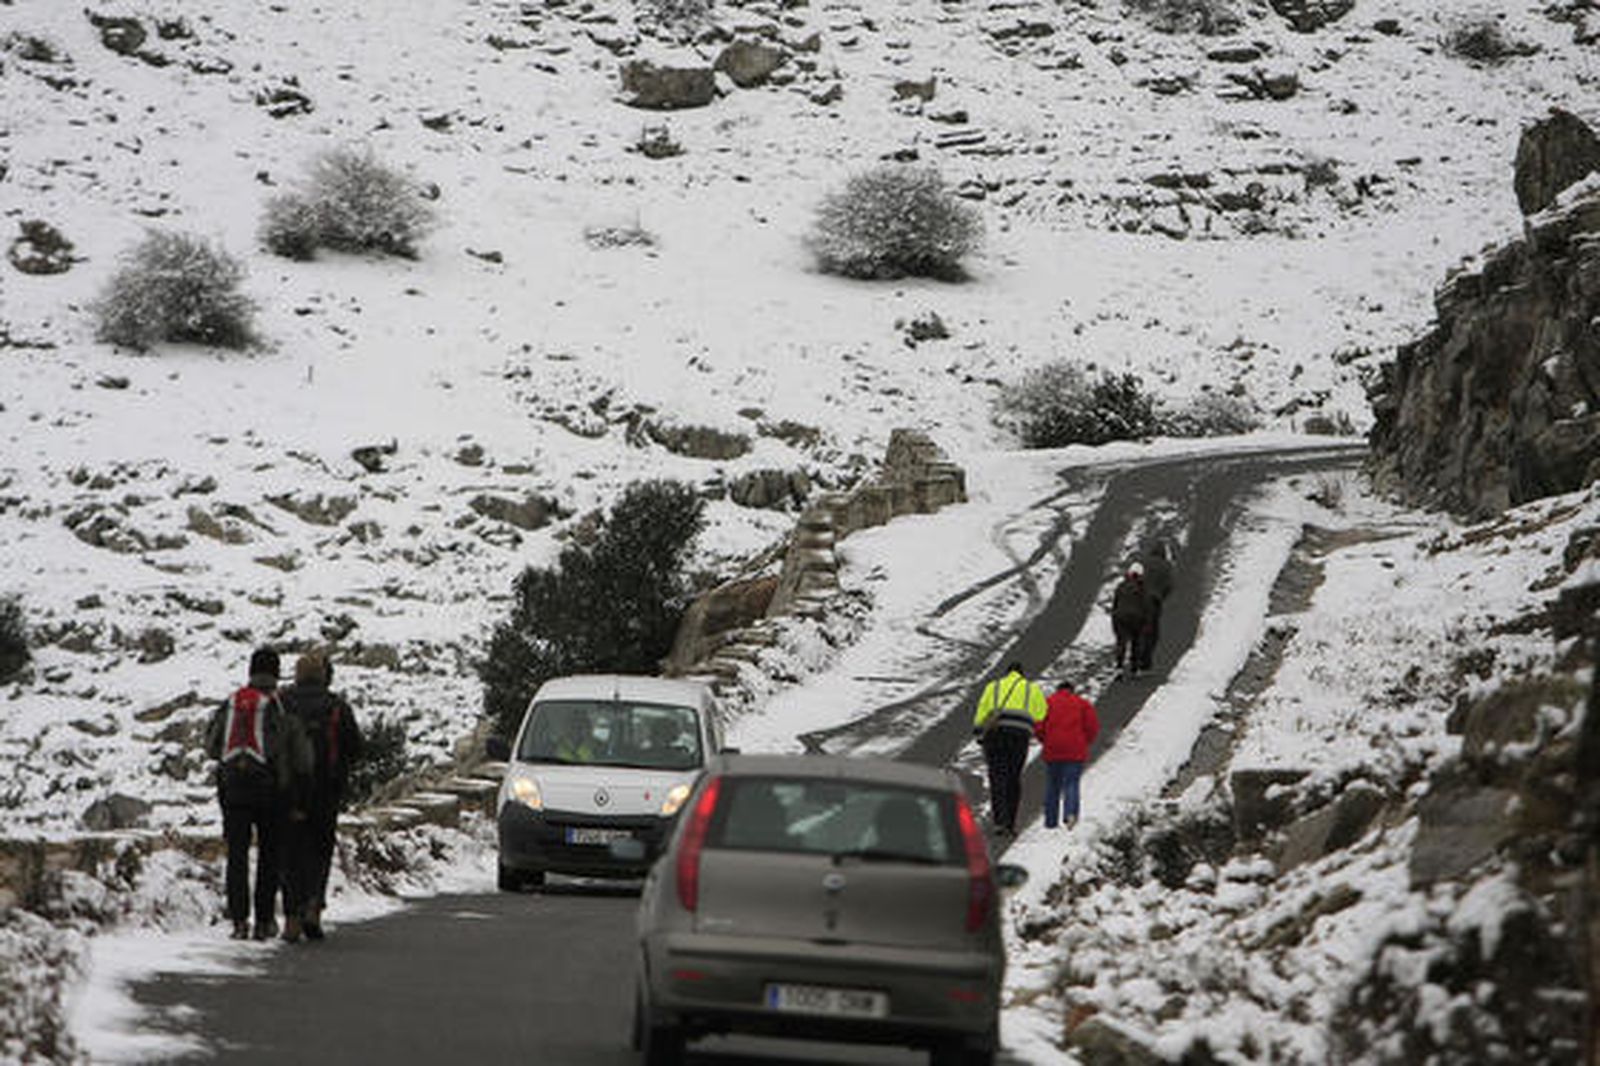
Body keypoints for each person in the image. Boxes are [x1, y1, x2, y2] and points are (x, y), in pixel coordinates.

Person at [205, 647, 298, 940]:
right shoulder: (277, 706)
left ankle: (239, 921)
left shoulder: (232, 703)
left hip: (233, 790)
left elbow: (211, 746)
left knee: (237, 856)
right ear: (276, 673)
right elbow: (285, 750)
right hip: (269, 792)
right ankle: (264, 921)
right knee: (269, 856)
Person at [279, 650, 362, 942]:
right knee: (320, 849)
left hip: (289, 791)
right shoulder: (336, 705)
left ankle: (291, 916)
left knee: (290, 852)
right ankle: (314, 904)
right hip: (326, 790)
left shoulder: (283, 702)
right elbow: (355, 746)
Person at [970, 661, 1048, 838]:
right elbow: (1041, 714)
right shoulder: (1032, 689)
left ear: (1007, 673)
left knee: (997, 776)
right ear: (1022, 674)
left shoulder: (994, 687)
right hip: (1019, 737)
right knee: (1013, 777)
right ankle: (1010, 824)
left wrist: (978, 731)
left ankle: (999, 821)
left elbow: (983, 711)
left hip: (995, 735)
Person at [1035, 681, 1100, 830]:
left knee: (1052, 785)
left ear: (1058, 690)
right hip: (1075, 750)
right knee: (1071, 783)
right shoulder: (1082, 704)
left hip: (1053, 749)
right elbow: (1092, 727)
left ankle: (1050, 821)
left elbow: (1038, 727)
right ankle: (1070, 814)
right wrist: (1085, 742)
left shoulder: (1047, 703)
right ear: (1072, 690)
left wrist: (1046, 740)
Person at [1137, 541, 1174, 673]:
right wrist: (1160, 597)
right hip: (1153, 601)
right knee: (1151, 632)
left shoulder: (1141, 562)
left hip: (1137, 598)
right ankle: (1145, 662)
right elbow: (1169, 586)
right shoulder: (1166, 566)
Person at [1110, 563, 1153, 677]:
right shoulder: (1142, 588)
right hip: (1136, 618)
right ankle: (1135, 669)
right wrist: (1147, 622)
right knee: (1136, 642)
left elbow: (1115, 604)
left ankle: (1119, 667)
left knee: (1121, 642)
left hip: (1120, 617)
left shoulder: (1121, 586)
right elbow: (1146, 606)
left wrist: (1114, 619)